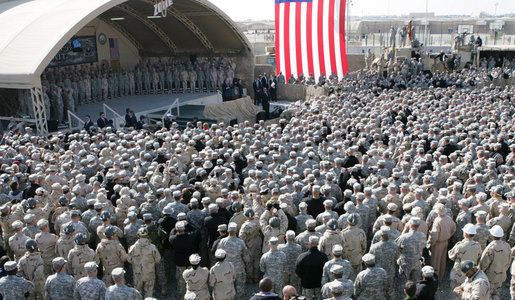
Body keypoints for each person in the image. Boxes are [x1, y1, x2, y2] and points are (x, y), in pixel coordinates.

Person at [478, 225, 510, 300]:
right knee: (496, 293)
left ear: (492, 235)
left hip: (490, 276)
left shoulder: (491, 247)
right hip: (501, 275)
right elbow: (508, 261)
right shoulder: (507, 246)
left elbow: (483, 264)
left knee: (488, 294)